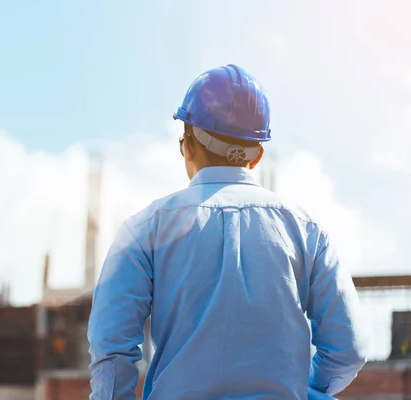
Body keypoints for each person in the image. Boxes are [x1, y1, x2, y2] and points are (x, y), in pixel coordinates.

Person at [87, 64, 366, 399]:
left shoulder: (144, 229)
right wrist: (302, 390)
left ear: (187, 145)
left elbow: (111, 349)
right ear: (257, 155)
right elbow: (349, 349)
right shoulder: (309, 233)